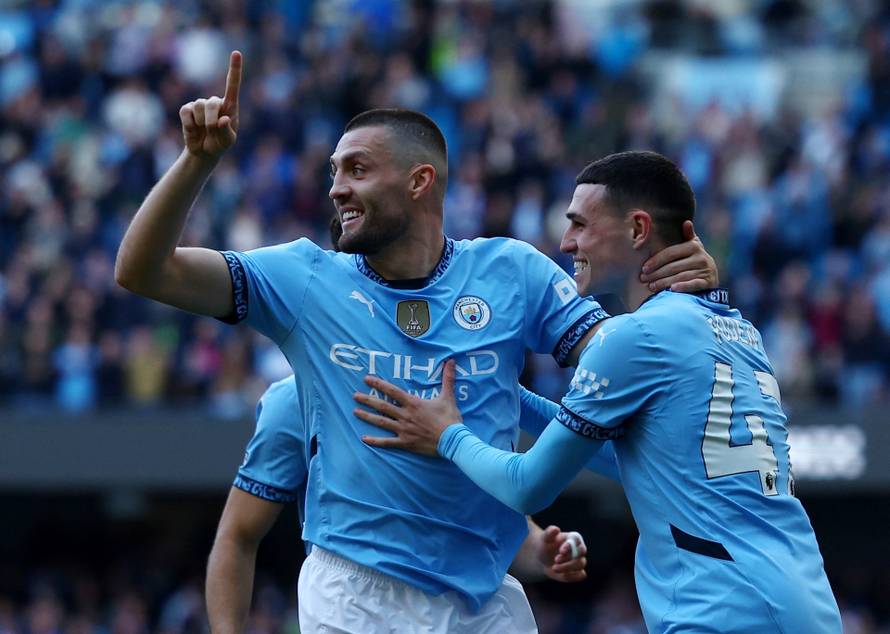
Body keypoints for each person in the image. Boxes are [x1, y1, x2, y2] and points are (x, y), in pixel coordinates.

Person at [115, 50, 717, 632]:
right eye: (334, 172)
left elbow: (631, 363)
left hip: (486, 598)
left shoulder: (512, 272)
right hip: (357, 595)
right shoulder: (303, 279)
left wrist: (680, 296)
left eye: (357, 170)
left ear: (419, 181)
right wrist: (195, 162)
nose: (336, 189)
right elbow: (144, 271)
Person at [354, 152, 843, 633]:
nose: (566, 242)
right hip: (805, 594)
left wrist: (448, 435)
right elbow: (638, 459)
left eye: (580, 224)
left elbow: (527, 485)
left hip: (722, 606)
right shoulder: (742, 331)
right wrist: (501, 392)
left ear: (637, 229)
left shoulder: (634, 337)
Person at [205, 219, 592, 631]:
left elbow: (482, 512)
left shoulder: (463, 375)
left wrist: (538, 546)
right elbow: (238, 534)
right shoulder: (297, 400)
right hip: (359, 602)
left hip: (480, 603)